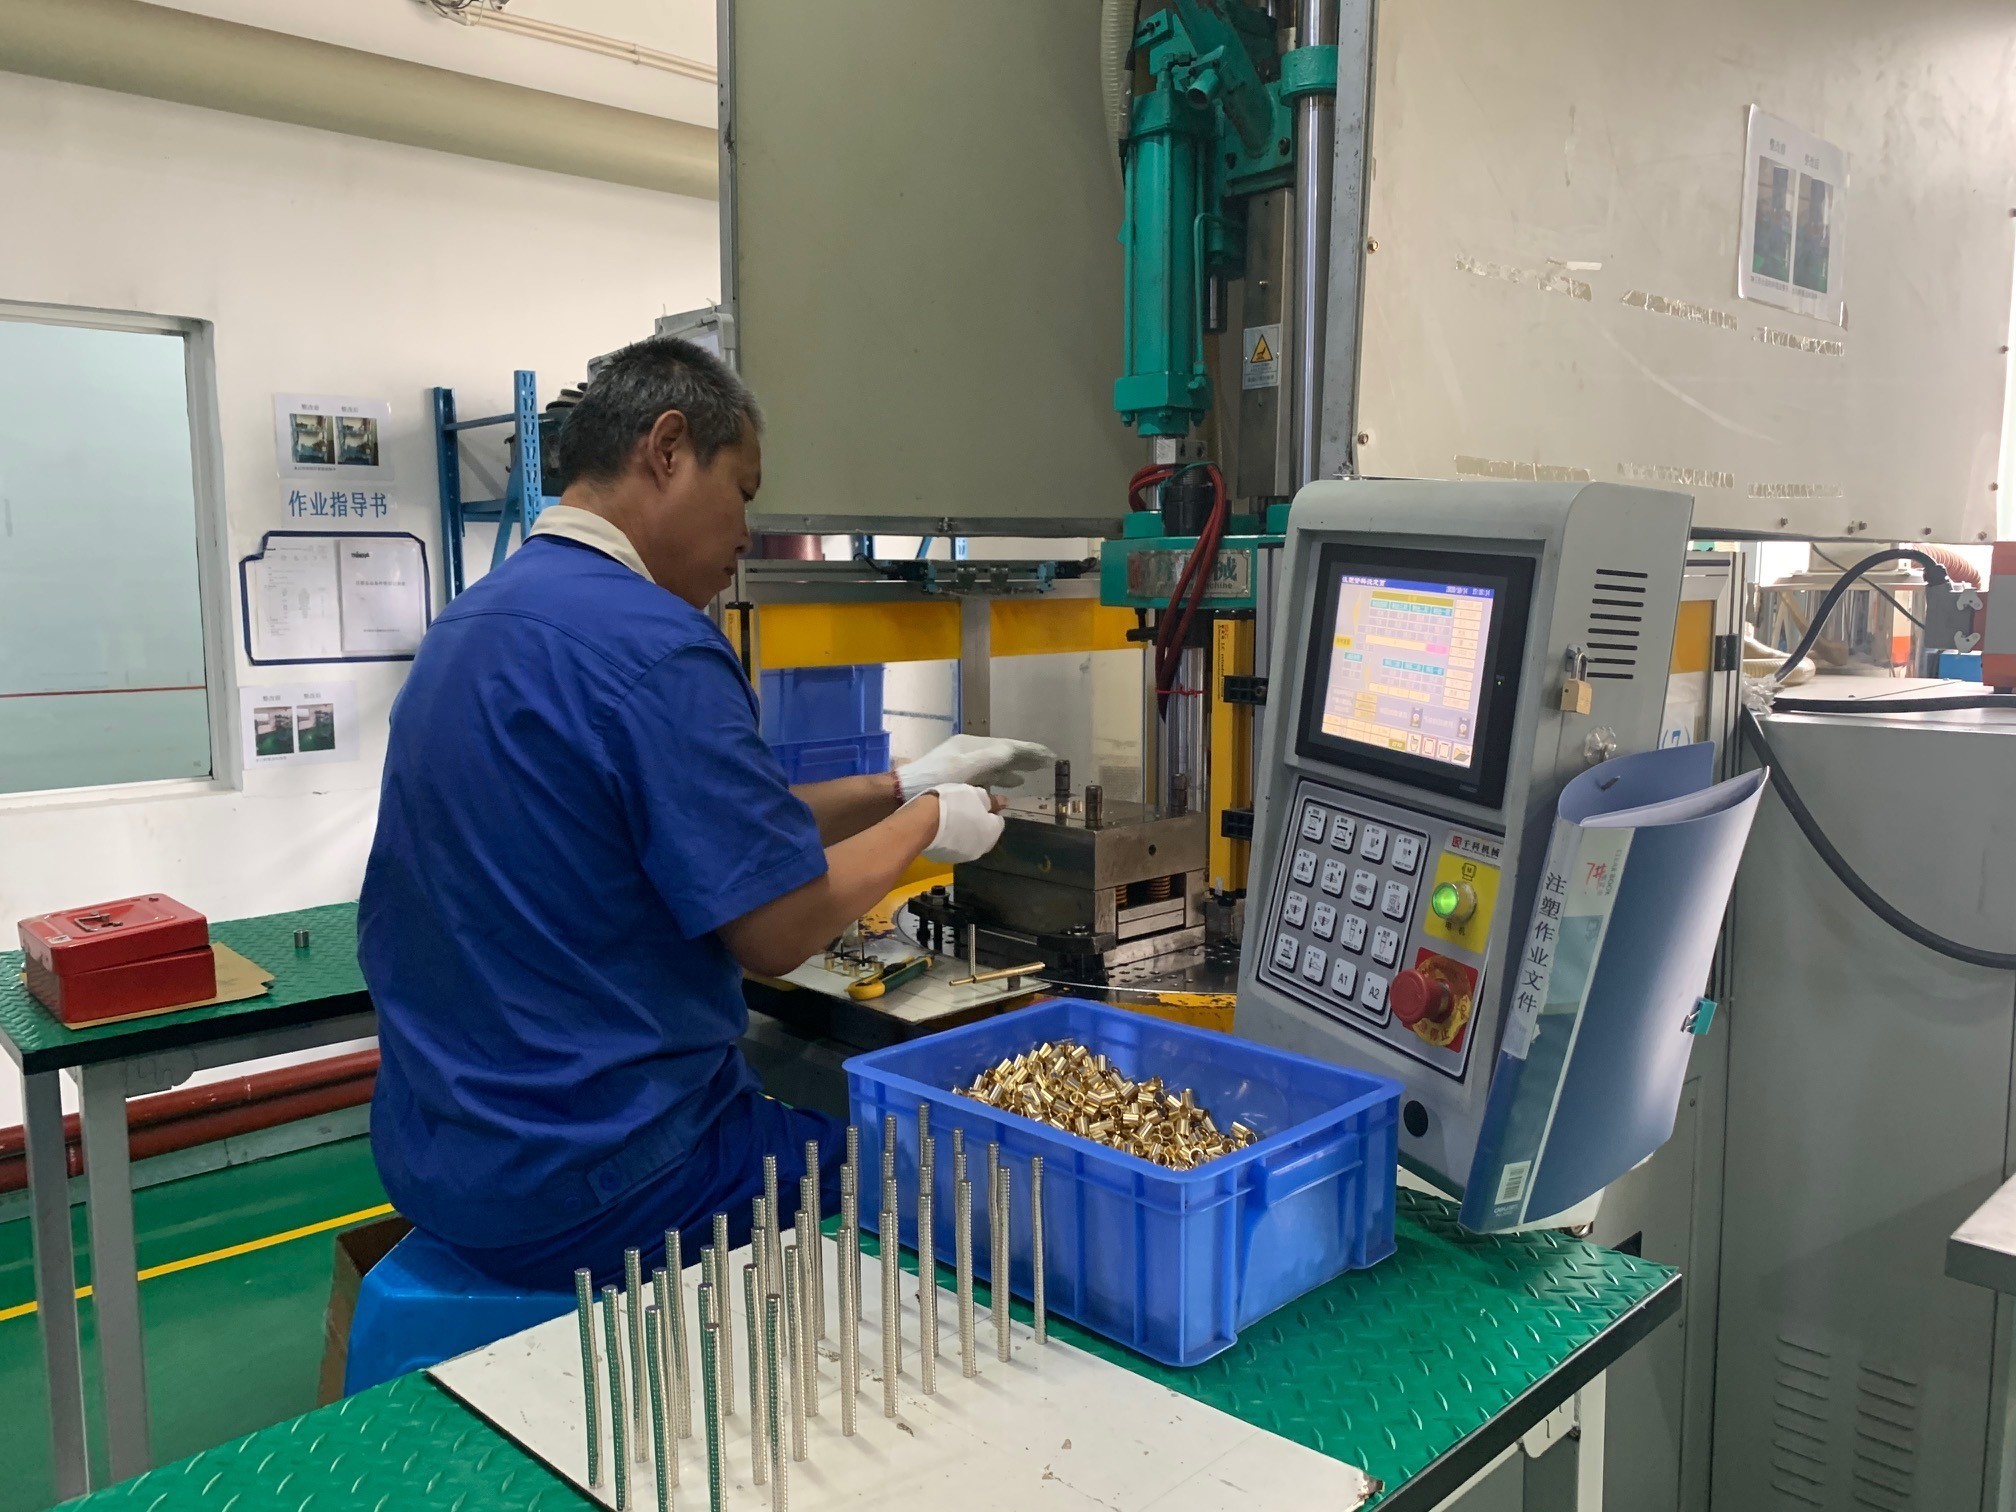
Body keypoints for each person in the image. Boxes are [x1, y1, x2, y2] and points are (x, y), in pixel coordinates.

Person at [358, 336, 1052, 1289]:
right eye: (745, 493)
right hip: (613, 1181)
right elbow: (774, 930)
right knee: (944, 1185)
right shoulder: (657, 644)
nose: (747, 536)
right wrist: (927, 827)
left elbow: (703, 826)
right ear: (669, 449)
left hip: (449, 1157)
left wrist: (895, 786)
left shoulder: (477, 622)